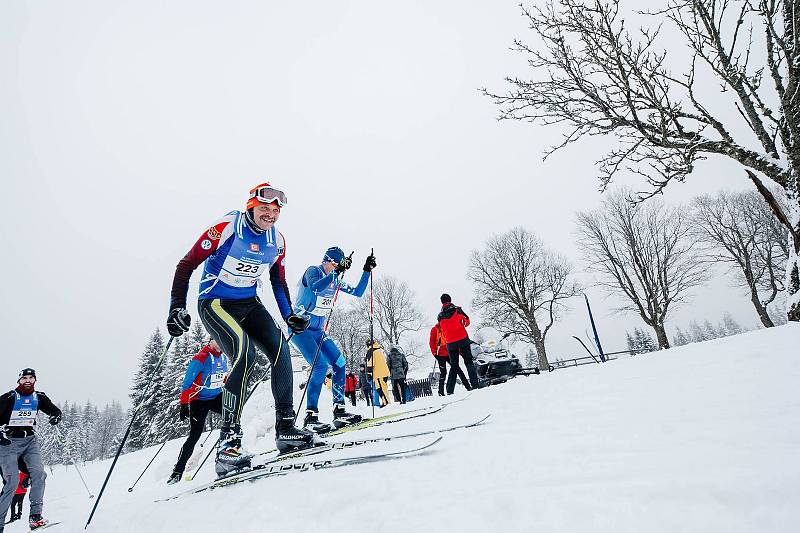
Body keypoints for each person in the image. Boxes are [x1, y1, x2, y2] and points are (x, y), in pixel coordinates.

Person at [167, 182, 315, 476]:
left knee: (280, 350)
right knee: (244, 353)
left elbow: (277, 281)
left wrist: (289, 316)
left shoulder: (278, 241)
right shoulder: (227, 227)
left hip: (249, 302)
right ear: (251, 206)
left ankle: (285, 428)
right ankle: (228, 444)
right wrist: (176, 308)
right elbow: (186, 264)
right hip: (215, 302)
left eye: (275, 210)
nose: (270, 214)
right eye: (264, 208)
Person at [291, 246, 377, 433]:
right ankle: (310, 416)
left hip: (318, 331)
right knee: (320, 365)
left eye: (339, 266)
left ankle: (339, 410)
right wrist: (336, 272)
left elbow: (358, 292)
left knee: (339, 363)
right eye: (335, 264)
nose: (337, 268)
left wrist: (366, 271)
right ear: (328, 261)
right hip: (301, 329)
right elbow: (316, 286)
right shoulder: (313, 271)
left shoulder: (335, 279)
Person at [0, 368, 62, 531]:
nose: (27, 380)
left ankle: (35, 517)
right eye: (24, 378)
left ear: (35, 380)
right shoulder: (9, 397)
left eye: (31, 378)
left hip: (29, 441)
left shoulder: (39, 397)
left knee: (39, 475)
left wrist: (56, 415)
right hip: (8, 443)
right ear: (19, 381)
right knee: (12, 483)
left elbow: (53, 410)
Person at [167, 339, 229, 484]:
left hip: (216, 397)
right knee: (194, 436)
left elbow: (224, 378)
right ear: (210, 341)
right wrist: (184, 404)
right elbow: (187, 382)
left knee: (233, 415)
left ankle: (229, 452)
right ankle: (177, 471)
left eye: (221, 338)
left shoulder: (223, 358)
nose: (220, 343)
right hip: (199, 401)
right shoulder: (201, 358)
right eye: (216, 339)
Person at [437, 294, 480, 393]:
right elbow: (467, 321)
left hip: (450, 343)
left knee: (454, 365)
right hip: (463, 339)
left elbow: (441, 328)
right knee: (468, 362)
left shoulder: (440, 315)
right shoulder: (458, 309)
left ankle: (449, 390)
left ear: (442, 302)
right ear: (450, 300)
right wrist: (462, 324)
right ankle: (475, 385)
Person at [429, 323, 471, 396]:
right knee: (445, 372)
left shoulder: (447, 328)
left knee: (456, 370)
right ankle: (441, 392)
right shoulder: (435, 329)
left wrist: (459, 352)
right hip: (441, 354)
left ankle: (467, 386)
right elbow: (432, 342)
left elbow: (454, 340)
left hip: (449, 353)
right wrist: (435, 353)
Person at [365, 341, 391, 407]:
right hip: (384, 372)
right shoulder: (379, 350)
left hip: (379, 373)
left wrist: (368, 373)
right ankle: (385, 401)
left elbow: (370, 364)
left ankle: (386, 402)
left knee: (380, 388)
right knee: (383, 388)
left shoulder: (371, 351)